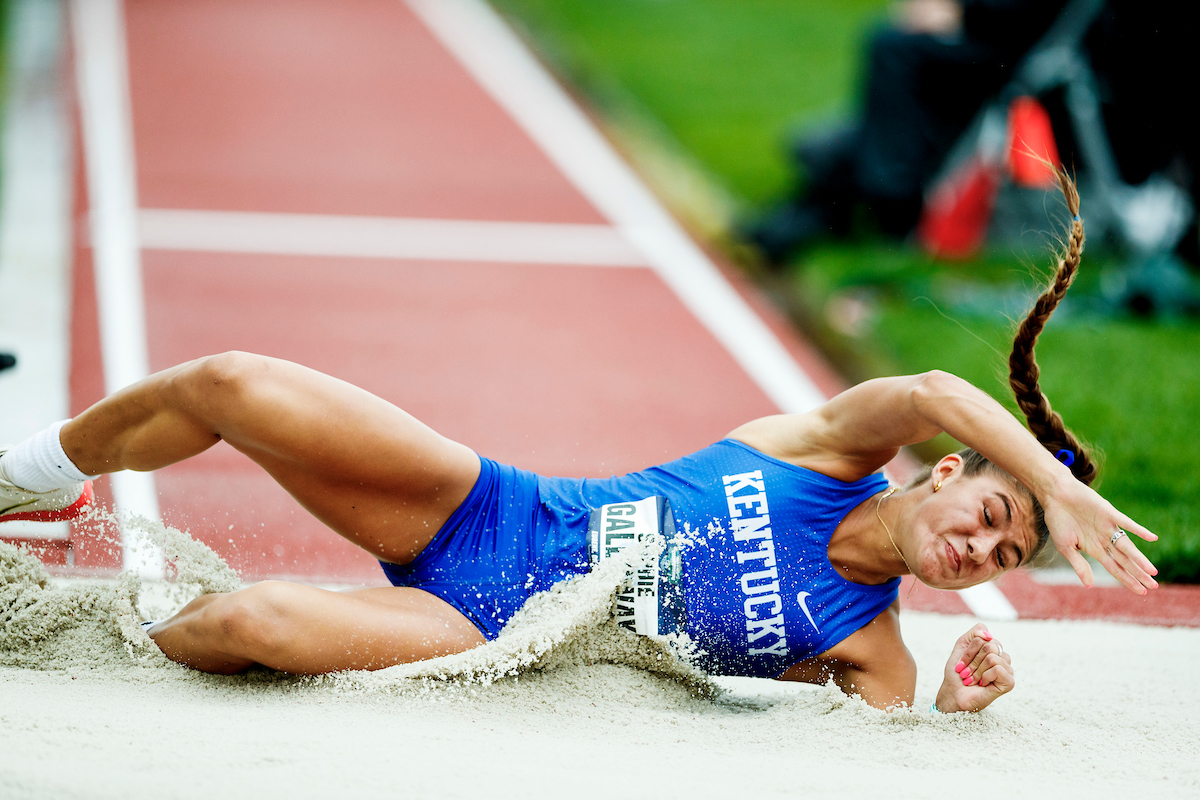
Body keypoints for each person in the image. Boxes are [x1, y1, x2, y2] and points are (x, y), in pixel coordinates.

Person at [0, 174, 1157, 713]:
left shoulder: (868, 644)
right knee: (231, 381)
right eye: (994, 516)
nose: (981, 549)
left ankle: (83, 630)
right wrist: (1058, 481)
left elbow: (901, 742)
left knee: (248, 623)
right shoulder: (823, 447)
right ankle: (35, 477)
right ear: (947, 470)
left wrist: (962, 702)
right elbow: (936, 382)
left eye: (1008, 559)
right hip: (487, 508)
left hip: (484, 630)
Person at [745, 0, 1066, 264]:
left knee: (893, 49)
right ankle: (833, 184)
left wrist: (960, 11)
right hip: (993, 35)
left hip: (1016, 51)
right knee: (896, 48)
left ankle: (882, 202)